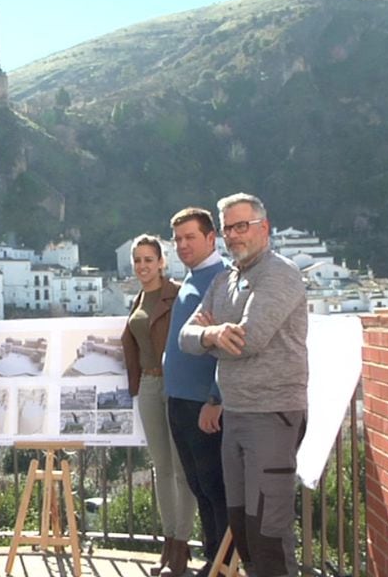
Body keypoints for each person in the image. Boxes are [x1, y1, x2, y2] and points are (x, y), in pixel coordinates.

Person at [179, 193, 308, 577]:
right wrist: (214, 334)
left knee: (269, 531)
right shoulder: (225, 279)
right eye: (228, 228)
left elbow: (250, 340)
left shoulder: (279, 274)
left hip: (272, 414)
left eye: (243, 226)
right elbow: (186, 339)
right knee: (243, 528)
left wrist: (210, 338)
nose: (235, 235)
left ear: (264, 228)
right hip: (235, 414)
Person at [119, 234, 196, 576]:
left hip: (176, 383)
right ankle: (168, 544)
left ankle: (182, 546)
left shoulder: (178, 294)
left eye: (148, 259)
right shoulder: (138, 299)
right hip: (149, 385)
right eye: (137, 260)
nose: (142, 266)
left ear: (162, 262)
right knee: (161, 469)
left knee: (182, 469)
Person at [163, 207, 230, 577]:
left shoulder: (220, 280)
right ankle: (213, 559)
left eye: (190, 237)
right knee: (198, 484)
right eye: (177, 239)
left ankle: (224, 562)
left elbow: (229, 342)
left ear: (210, 238)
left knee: (214, 485)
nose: (183, 245)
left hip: (202, 403)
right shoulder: (192, 279)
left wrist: (215, 398)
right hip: (179, 399)